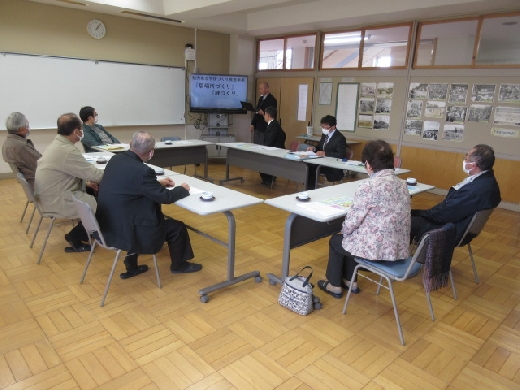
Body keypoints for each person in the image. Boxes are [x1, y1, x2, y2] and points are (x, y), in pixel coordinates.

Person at [96, 131, 201, 279]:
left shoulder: (116, 160)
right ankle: (180, 265)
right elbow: (166, 197)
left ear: (131, 145)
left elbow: (131, 185)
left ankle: (132, 265)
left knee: (139, 213)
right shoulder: (143, 171)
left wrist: (157, 183)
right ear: (151, 153)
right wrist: (182, 189)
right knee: (177, 227)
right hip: (126, 231)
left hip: (108, 226)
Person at [318, 140, 410, 298]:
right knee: (352, 237)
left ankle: (335, 286)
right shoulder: (402, 184)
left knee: (337, 240)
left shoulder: (368, 187)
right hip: (397, 246)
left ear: (368, 164)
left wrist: (344, 230)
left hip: (378, 250)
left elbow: (352, 222)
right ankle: (350, 281)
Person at [34, 113, 104, 252]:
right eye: (81, 130)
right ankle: (75, 236)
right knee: (104, 208)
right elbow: (96, 175)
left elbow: (68, 171)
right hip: (57, 199)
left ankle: (90, 229)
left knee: (93, 191)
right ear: (76, 131)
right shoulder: (66, 150)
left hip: (52, 194)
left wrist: (86, 182)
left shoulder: (58, 143)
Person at [411, 144, 501, 244]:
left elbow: (442, 214)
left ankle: (402, 255)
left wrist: (418, 213)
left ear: (473, 165)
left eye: (466, 158)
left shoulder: (474, 190)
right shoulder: (488, 181)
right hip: (461, 226)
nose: (464, 160)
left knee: (403, 220)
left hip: (451, 229)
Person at [2, 112, 42, 190]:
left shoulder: (7, 143)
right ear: (21, 129)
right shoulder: (21, 146)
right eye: (27, 125)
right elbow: (42, 165)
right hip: (40, 185)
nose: (29, 127)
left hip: (32, 183)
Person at [306, 115, 347, 189]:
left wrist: (325, 153)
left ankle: (310, 189)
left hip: (332, 167)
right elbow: (320, 147)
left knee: (312, 168)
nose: (324, 129)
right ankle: (309, 189)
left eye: (326, 128)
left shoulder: (340, 138)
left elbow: (341, 155)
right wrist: (314, 148)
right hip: (322, 162)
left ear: (333, 127)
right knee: (308, 166)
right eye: (322, 127)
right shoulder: (324, 135)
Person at [260, 106, 286, 186]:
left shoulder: (273, 125)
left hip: (275, 151)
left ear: (268, 115)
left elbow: (270, 141)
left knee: (260, 161)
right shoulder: (273, 124)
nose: (264, 116)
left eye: (264, 115)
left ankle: (268, 179)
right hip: (273, 149)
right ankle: (269, 178)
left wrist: (263, 148)